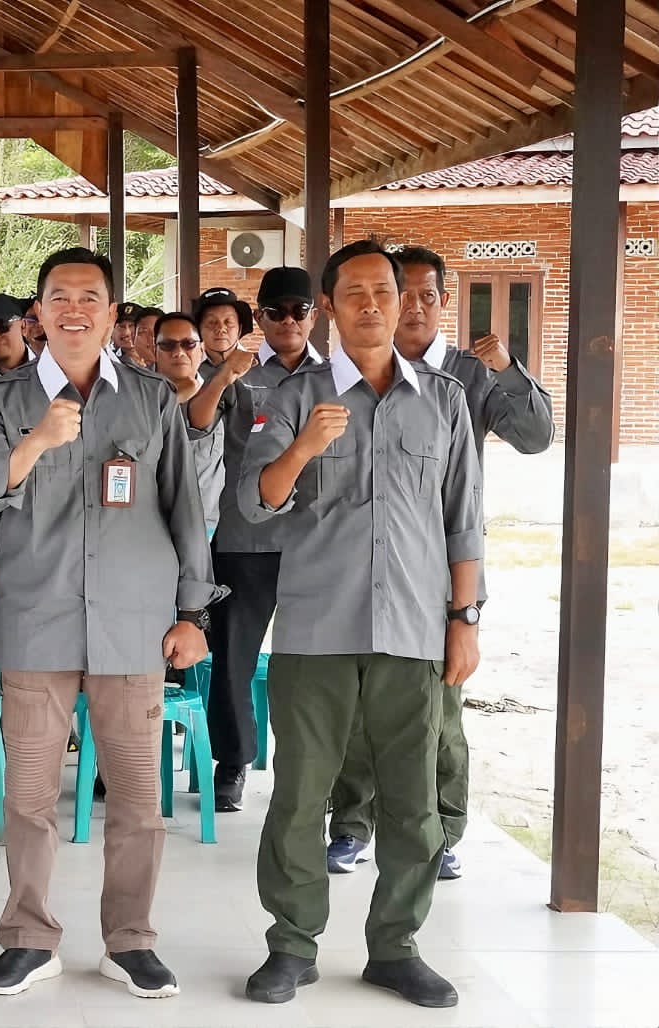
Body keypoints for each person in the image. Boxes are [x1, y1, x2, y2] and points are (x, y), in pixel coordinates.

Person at [0, 247, 220, 1000]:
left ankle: (130, 940)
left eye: (90, 297)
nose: (74, 309)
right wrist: (37, 440)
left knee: (139, 799)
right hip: (36, 623)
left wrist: (192, 612)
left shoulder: (151, 399)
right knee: (30, 800)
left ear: (112, 314)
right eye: (59, 297)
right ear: (36, 314)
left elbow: (185, 509)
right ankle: (29, 938)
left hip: (133, 626)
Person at [238, 239, 482, 1010]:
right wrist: (305, 445)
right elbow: (254, 501)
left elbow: (463, 522)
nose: (376, 305)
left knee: (412, 802)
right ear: (331, 308)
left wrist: (465, 619)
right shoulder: (291, 395)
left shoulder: (442, 398)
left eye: (389, 291)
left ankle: (396, 947)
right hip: (316, 629)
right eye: (357, 294)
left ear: (405, 301)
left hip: (414, 629)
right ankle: (291, 946)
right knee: (300, 796)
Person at [326, 244, 553, 879]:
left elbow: (536, 438)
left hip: (442, 569)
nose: (415, 307)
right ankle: (351, 825)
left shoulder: (465, 376)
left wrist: (509, 368)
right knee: (357, 710)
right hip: (359, 572)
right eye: (407, 294)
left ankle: (445, 828)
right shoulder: (346, 377)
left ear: (441, 301)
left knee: (440, 711)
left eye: (429, 295)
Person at [185, 266, 324, 812]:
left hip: (315, 543)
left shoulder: (338, 376)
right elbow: (196, 426)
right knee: (232, 659)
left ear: (314, 315)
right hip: (244, 541)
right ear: (258, 318)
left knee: (317, 663)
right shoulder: (237, 373)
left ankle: (316, 770)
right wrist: (221, 376)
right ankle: (233, 763)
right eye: (275, 312)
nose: (288, 321)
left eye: (299, 310)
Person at [154, 313, 222, 537]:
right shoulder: (136, 396)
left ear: (201, 350)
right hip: (150, 526)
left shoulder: (218, 392)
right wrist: (172, 400)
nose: (178, 352)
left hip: (205, 526)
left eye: (188, 344)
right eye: (167, 345)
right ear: (155, 351)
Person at [193, 287, 254, 373]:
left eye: (229, 322)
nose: (221, 329)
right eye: (212, 322)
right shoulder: (190, 369)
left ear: (239, 329)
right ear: (198, 329)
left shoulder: (258, 366)